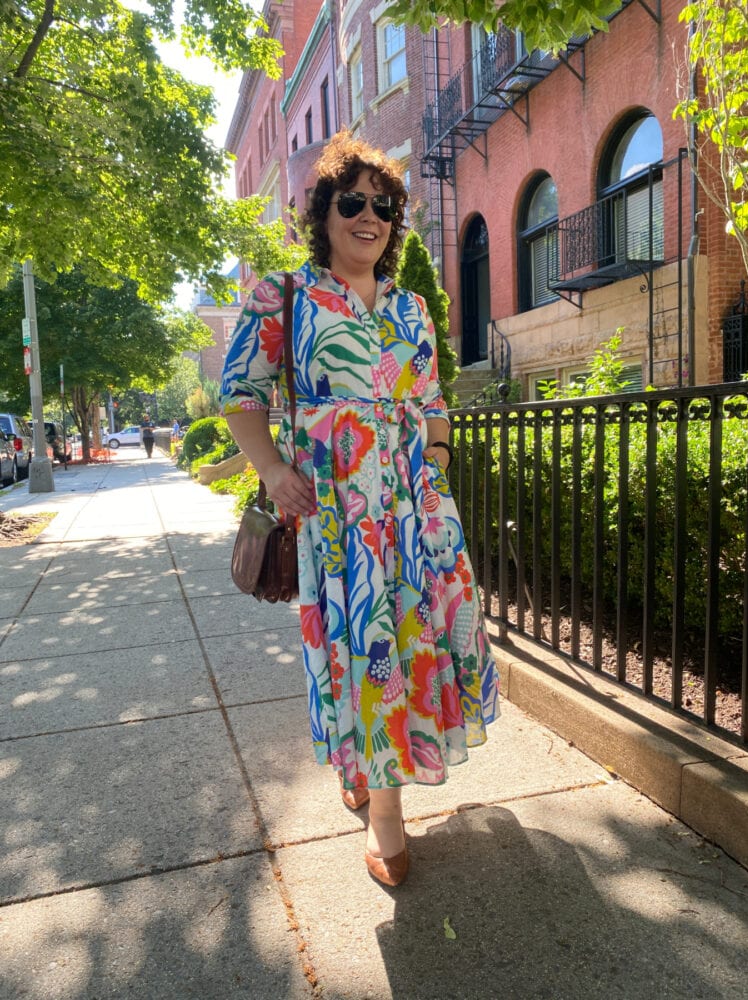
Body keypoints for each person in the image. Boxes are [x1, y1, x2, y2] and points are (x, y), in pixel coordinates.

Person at [221, 132, 500, 887]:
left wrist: (435, 468)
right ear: (325, 212)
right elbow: (240, 397)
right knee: (362, 651)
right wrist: (274, 470)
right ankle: (386, 818)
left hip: (419, 513)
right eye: (354, 202)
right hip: (340, 515)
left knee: (419, 645)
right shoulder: (281, 296)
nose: (370, 215)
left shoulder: (411, 307)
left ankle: (370, 770)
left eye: (385, 205)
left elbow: (434, 403)